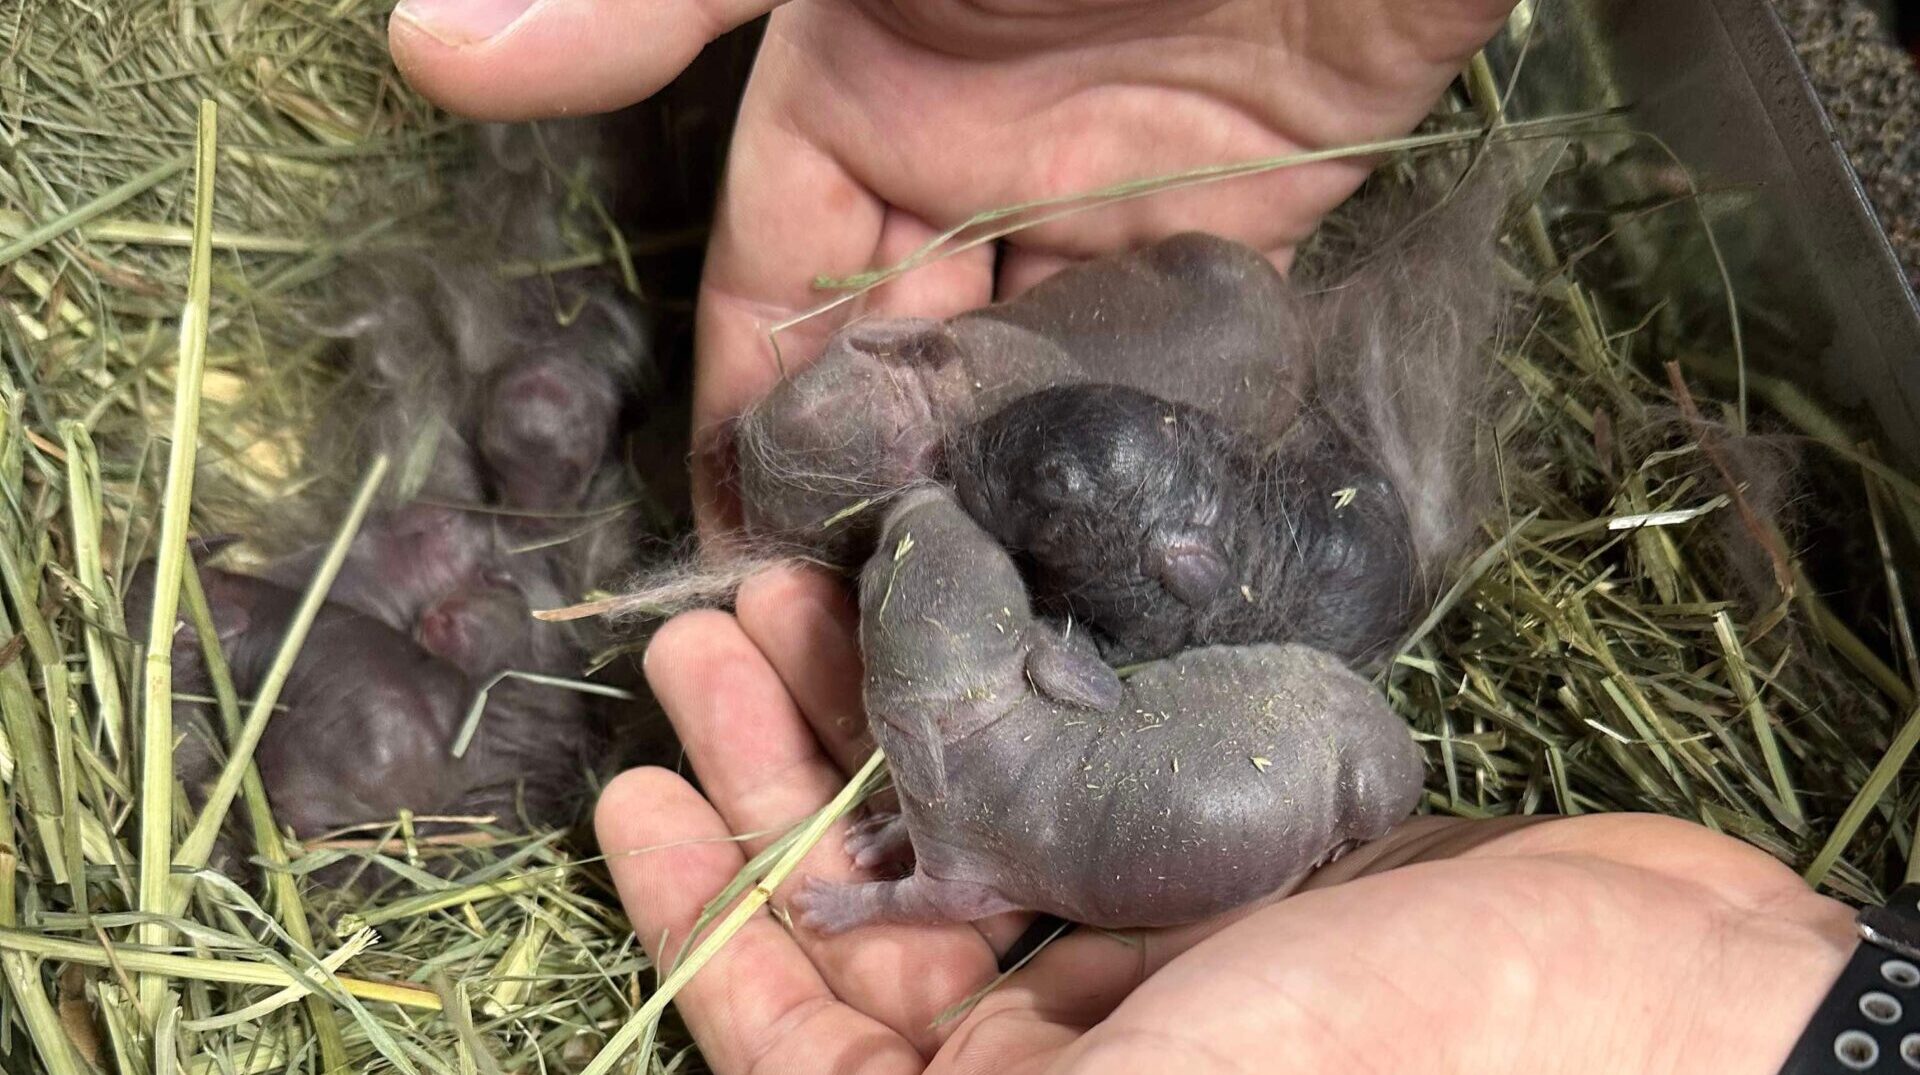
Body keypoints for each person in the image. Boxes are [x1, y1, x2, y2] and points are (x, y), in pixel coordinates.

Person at [388, 3, 1858, 1070]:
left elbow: (961, 805)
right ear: (1055, 657)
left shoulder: (985, 762)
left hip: (1301, 715)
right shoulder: (1003, 729)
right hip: (1299, 721)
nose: (945, 492)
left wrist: (865, 881)